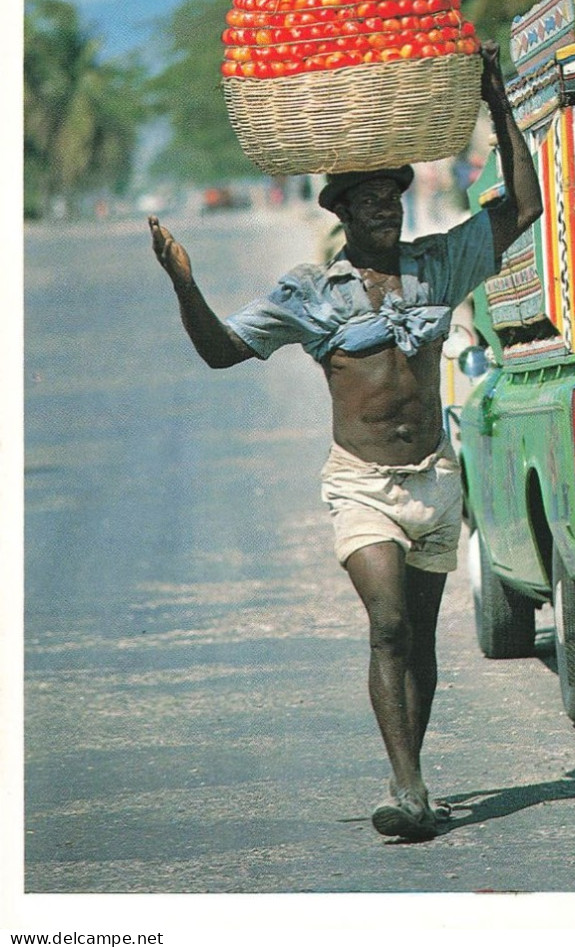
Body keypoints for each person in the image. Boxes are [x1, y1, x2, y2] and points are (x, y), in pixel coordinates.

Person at [148, 41, 542, 842]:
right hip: (361, 484)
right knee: (388, 624)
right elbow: (224, 349)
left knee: (421, 640)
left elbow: (522, 208)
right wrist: (184, 285)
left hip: (435, 478)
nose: (385, 210)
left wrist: (496, 105)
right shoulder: (308, 292)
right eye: (367, 202)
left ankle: (417, 777)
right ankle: (404, 786)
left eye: (392, 198)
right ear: (341, 213)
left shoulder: (437, 267)